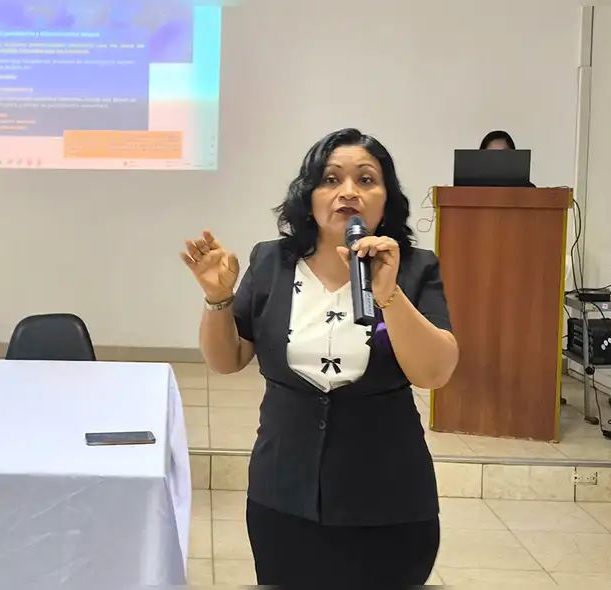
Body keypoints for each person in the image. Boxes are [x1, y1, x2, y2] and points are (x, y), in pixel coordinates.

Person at [179, 128, 459, 586]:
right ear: (308, 197)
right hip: (283, 493)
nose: (348, 191)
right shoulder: (270, 263)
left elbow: (435, 372)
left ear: (387, 200)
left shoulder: (412, 267)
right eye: (331, 179)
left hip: (390, 500)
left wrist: (389, 296)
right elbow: (227, 359)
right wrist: (217, 299)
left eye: (366, 179)